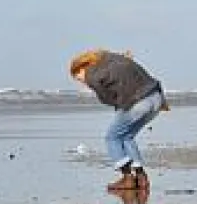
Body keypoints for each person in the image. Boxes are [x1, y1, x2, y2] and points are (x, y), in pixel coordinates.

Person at [69, 48, 169, 192]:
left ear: (81, 67)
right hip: (157, 99)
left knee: (112, 137)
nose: (81, 81)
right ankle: (141, 177)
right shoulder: (114, 59)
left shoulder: (92, 75)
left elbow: (106, 98)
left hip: (139, 103)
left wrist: (114, 101)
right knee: (127, 136)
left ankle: (127, 178)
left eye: (77, 77)